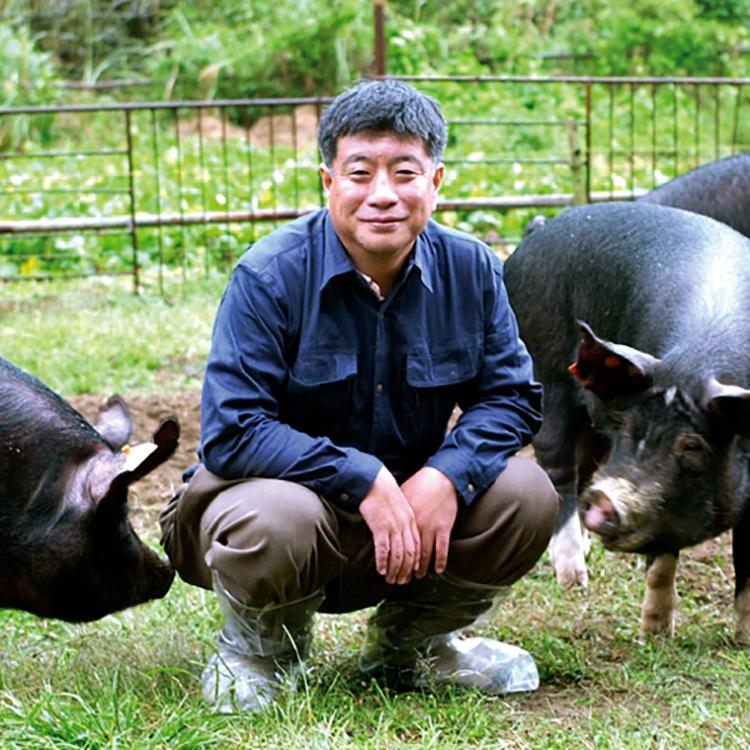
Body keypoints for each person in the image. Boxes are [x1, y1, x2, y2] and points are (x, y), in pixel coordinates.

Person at [159, 79, 560, 712]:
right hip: (275, 514)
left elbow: (511, 399)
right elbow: (232, 430)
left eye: (405, 172)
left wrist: (446, 478)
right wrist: (363, 479)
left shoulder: (473, 270)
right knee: (277, 517)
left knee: (527, 495)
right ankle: (263, 652)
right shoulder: (268, 275)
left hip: (412, 520)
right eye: (360, 172)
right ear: (327, 182)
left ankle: (416, 646)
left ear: (436, 181)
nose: (383, 195)